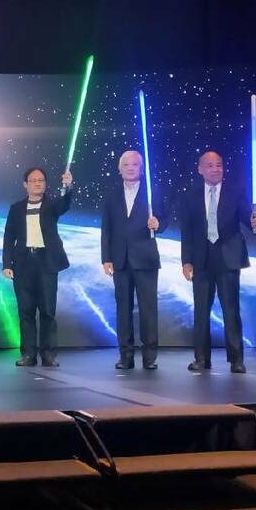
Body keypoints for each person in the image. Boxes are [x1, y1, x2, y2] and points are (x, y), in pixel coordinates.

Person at [180, 150, 256, 374]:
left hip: (229, 259)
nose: (215, 169)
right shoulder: (191, 195)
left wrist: (255, 222)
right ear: (200, 169)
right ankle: (201, 359)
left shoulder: (235, 191)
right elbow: (187, 231)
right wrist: (186, 261)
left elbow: (248, 219)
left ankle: (236, 360)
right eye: (210, 165)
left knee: (230, 310)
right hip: (201, 260)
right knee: (201, 311)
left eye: (219, 165)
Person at [101, 150, 166, 370]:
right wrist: (106, 258)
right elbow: (106, 229)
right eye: (126, 165)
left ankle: (149, 357)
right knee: (123, 309)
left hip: (146, 259)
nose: (130, 168)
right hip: (120, 260)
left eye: (135, 164)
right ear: (119, 169)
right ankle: (126, 356)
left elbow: (164, 219)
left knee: (148, 310)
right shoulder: (112, 195)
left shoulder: (152, 193)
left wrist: (158, 224)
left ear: (141, 168)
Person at [2, 167, 73, 367]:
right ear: (25, 184)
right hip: (23, 264)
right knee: (25, 312)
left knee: (48, 312)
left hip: (46, 263)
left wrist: (68, 187)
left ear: (45, 184)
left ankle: (48, 355)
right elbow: (9, 238)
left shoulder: (52, 206)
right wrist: (7, 264)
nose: (37, 183)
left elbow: (65, 204)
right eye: (33, 180)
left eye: (41, 180)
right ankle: (28, 355)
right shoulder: (16, 209)